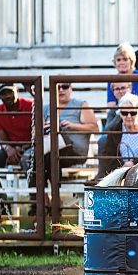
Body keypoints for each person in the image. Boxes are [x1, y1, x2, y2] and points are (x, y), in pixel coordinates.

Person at [27, 83, 99, 216]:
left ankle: (50, 201)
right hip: (51, 148)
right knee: (36, 160)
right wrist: (44, 129)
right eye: (57, 87)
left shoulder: (80, 104)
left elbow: (94, 128)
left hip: (75, 150)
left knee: (47, 158)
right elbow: (34, 133)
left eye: (64, 87)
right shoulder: (47, 108)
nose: (60, 90)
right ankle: (44, 201)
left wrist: (73, 126)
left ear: (71, 89)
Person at [0, 83, 33, 216]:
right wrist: (8, 148)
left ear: (16, 90)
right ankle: (1, 203)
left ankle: (36, 205)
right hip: (11, 148)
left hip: (31, 146)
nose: (7, 96)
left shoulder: (31, 105)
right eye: (3, 93)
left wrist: (24, 146)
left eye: (9, 91)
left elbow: (38, 132)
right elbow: (1, 136)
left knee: (30, 161)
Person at [97, 93, 138, 178]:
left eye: (133, 113)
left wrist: (133, 164)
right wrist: (123, 165)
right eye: (125, 113)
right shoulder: (115, 130)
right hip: (119, 175)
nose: (129, 116)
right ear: (120, 114)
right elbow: (109, 156)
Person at [106, 42, 138, 107]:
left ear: (131, 61)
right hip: (120, 114)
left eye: (125, 59)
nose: (121, 63)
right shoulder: (112, 80)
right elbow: (111, 106)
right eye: (118, 60)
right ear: (115, 63)